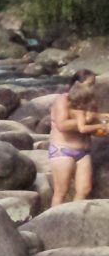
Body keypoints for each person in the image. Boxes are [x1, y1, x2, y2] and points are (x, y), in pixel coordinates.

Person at [48, 72, 100, 207]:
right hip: (63, 150)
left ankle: (72, 217)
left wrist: (99, 125)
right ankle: (52, 223)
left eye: (94, 84)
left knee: (84, 189)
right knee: (61, 192)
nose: (92, 88)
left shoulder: (87, 101)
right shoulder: (63, 100)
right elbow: (62, 124)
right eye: (90, 84)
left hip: (83, 152)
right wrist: (90, 121)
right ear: (77, 84)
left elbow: (92, 122)